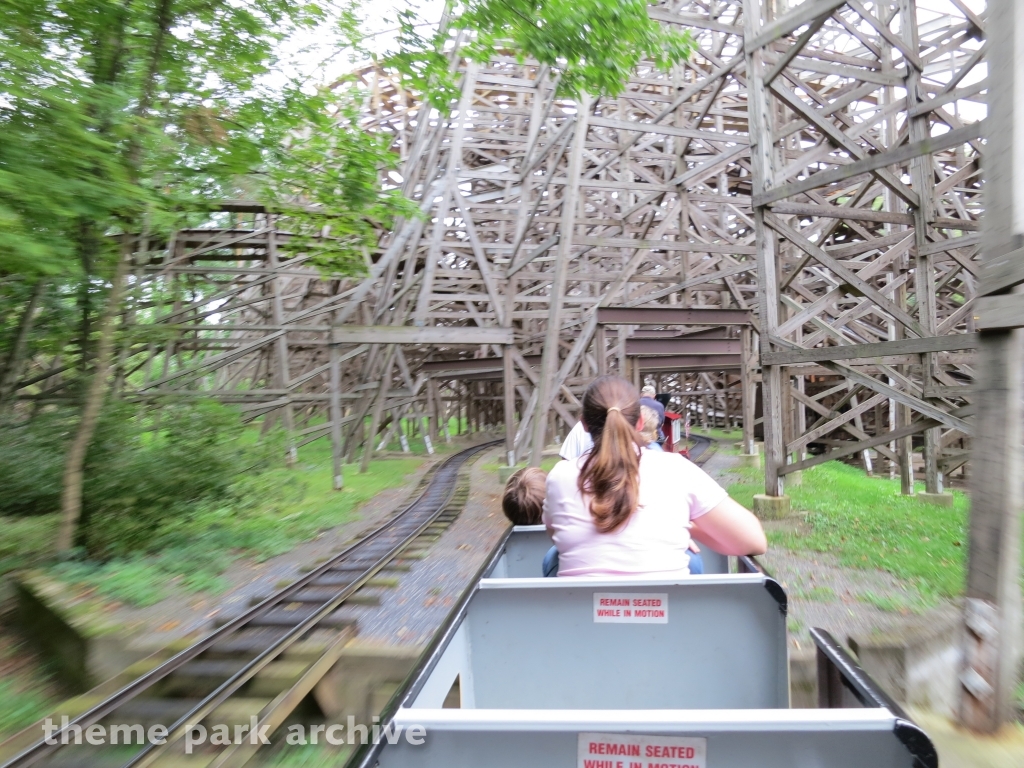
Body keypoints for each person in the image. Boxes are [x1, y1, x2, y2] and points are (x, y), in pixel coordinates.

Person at [543, 375, 766, 578]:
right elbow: (755, 541)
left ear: (583, 424)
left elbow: (557, 536)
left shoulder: (559, 476)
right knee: (692, 559)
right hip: (669, 617)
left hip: (580, 618)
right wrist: (684, 526)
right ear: (640, 422)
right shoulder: (676, 468)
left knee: (553, 558)